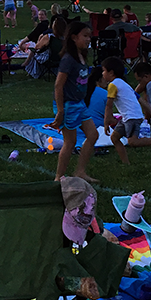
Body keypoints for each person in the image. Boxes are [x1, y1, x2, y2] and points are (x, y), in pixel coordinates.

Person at [50, 20, 99, 184]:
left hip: (79, 104)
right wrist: (60, 110)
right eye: (85, 36)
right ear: (73, 37)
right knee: (70, 142)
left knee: (93, 135)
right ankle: (59, 177)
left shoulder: (81, 56)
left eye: (89, 36)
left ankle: (80, 171)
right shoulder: (68, 59)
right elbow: (58, 86)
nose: (88, 39)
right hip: (68, 105)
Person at [101, 56, 151, 164]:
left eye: (103, 71)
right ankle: (126, 163)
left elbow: (108, 105)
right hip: (129, 117)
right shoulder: (124, 84)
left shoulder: (112, 85)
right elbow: (140, 99)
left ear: (111, 72)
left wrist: (106, 122)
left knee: (132, 141)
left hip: (131, 117)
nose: (102, 74)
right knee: (114, 138)